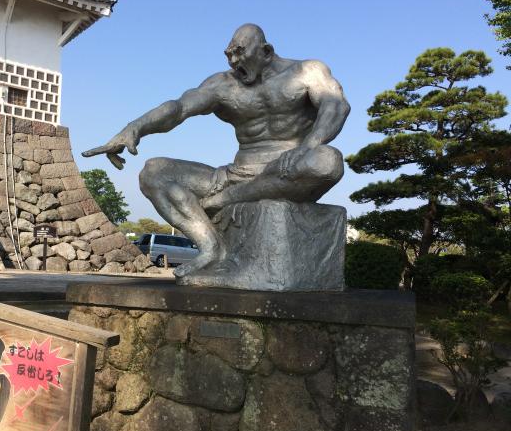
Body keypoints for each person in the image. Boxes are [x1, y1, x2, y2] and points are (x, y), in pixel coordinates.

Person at [84, 24, 350, 278]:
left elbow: (335, 105)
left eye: (240, 52)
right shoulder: (223, 84)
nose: (234, 61)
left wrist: (309, 145)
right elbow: (179, 108)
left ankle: (225, 199)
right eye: (229, 54)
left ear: (266, 52)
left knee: (327, 161)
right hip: (235, 175)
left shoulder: (307, 71)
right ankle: (211, 247)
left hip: (287, 168)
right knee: (154, 172)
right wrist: (135, 127)